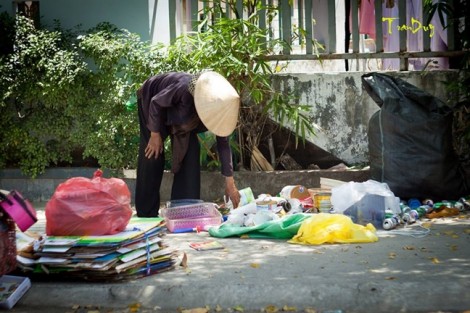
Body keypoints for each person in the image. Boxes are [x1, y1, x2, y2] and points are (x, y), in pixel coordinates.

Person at [135, 71, 241, 217]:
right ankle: (146, 211)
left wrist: (230, 184)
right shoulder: (184, 88)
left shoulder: (218, 111)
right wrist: (155, 133)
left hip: (183, 120)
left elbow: (223, 145)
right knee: (153, 153)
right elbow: (156, 102)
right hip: (152, 103)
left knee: (190, 155)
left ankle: (184, 210)